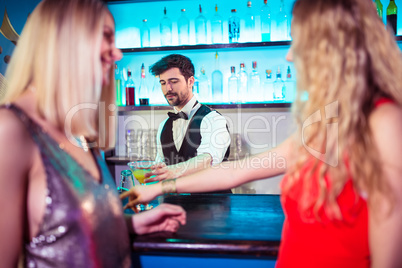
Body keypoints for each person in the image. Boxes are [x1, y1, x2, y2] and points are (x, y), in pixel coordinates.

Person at [122, 0, 402, 267]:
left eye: (298, 39)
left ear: (333, 44)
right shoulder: (329, 123)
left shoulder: (385, 122)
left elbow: (389, 258)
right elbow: (235, 171)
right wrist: (158, 188)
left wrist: (166, 181)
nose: (289, 55)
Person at [0, 0, 185, 267]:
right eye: (106, 37)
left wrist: (130, 224)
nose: (118, 53)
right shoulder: (11, 130)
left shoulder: (80, 132)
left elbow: (69, 232)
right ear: (64, 40)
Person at [146, 54, 231, 193]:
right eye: (163, 83)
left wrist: (171, 172)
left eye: (174, 81)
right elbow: (160, 165)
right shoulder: (163, 126)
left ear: (190, 81)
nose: (168, 88)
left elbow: (207, 160)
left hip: (213, 208)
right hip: (175, 206)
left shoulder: (213, 119)